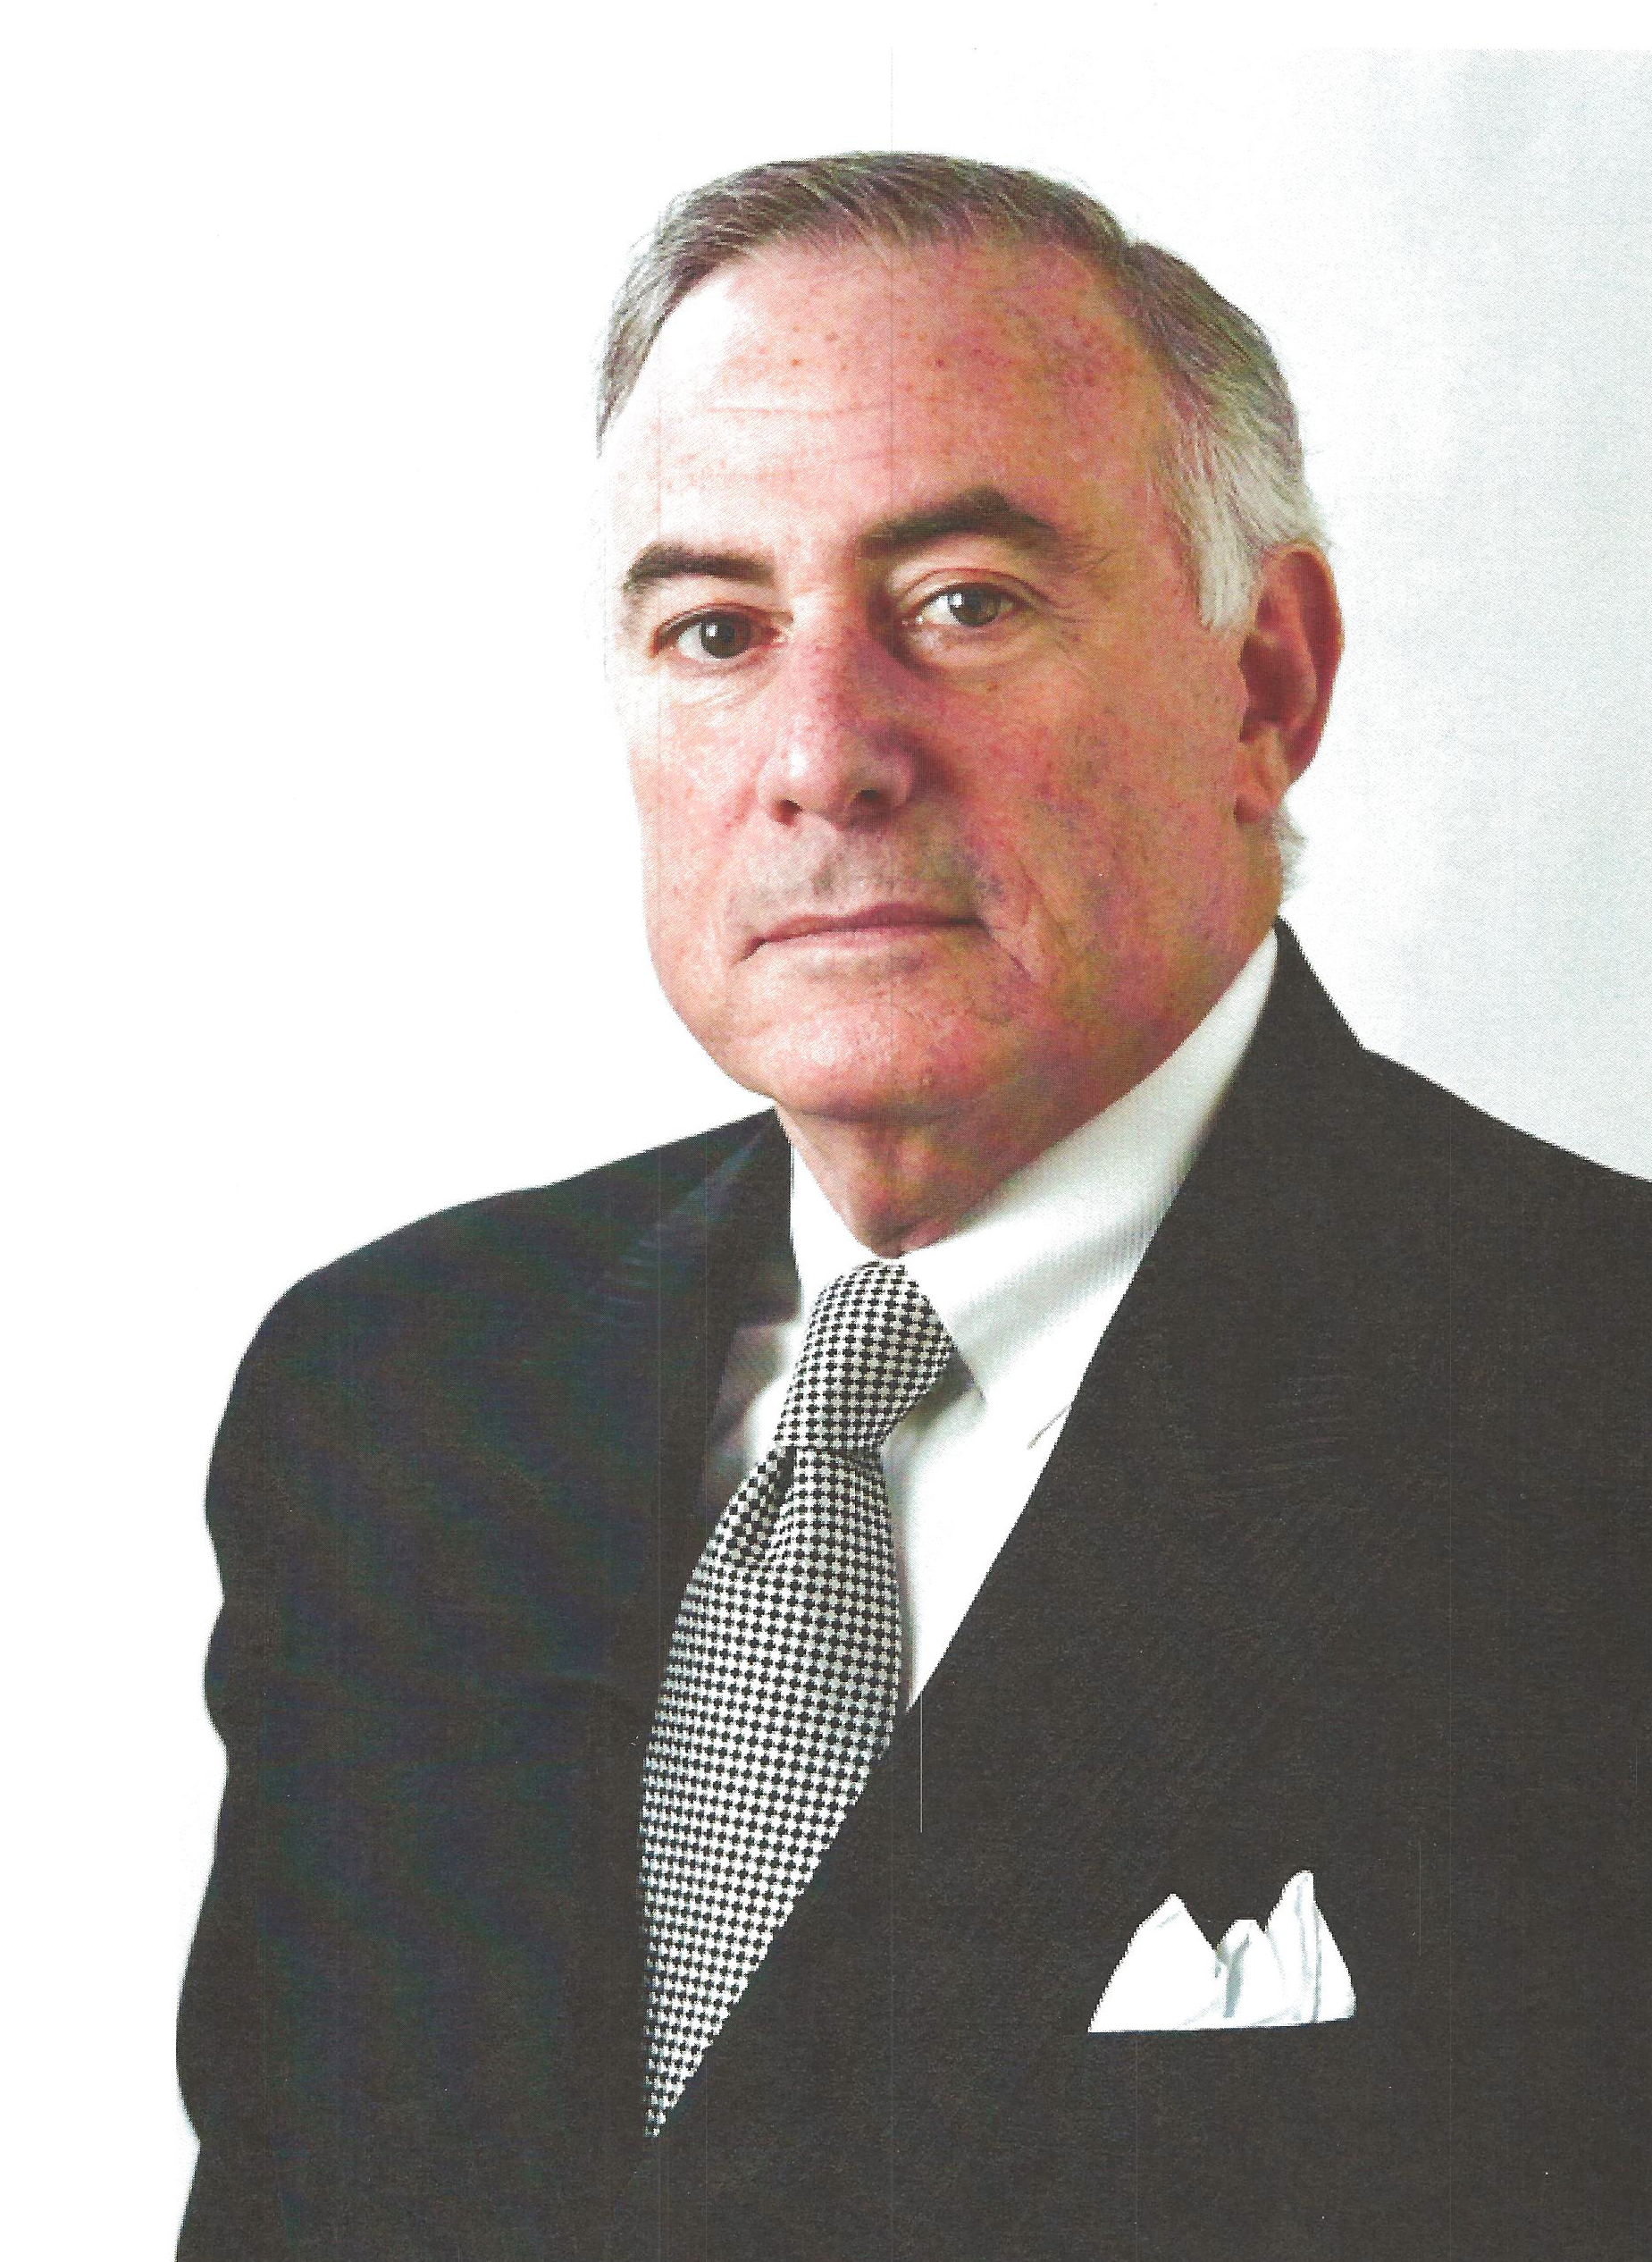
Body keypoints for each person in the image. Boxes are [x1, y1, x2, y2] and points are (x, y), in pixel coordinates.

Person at [176, 154, 1648, 2262]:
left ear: (1268, 685)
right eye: (717, 628)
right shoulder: (397, 1396)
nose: (824, 752)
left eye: (965, 602)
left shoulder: (1602, 1400)